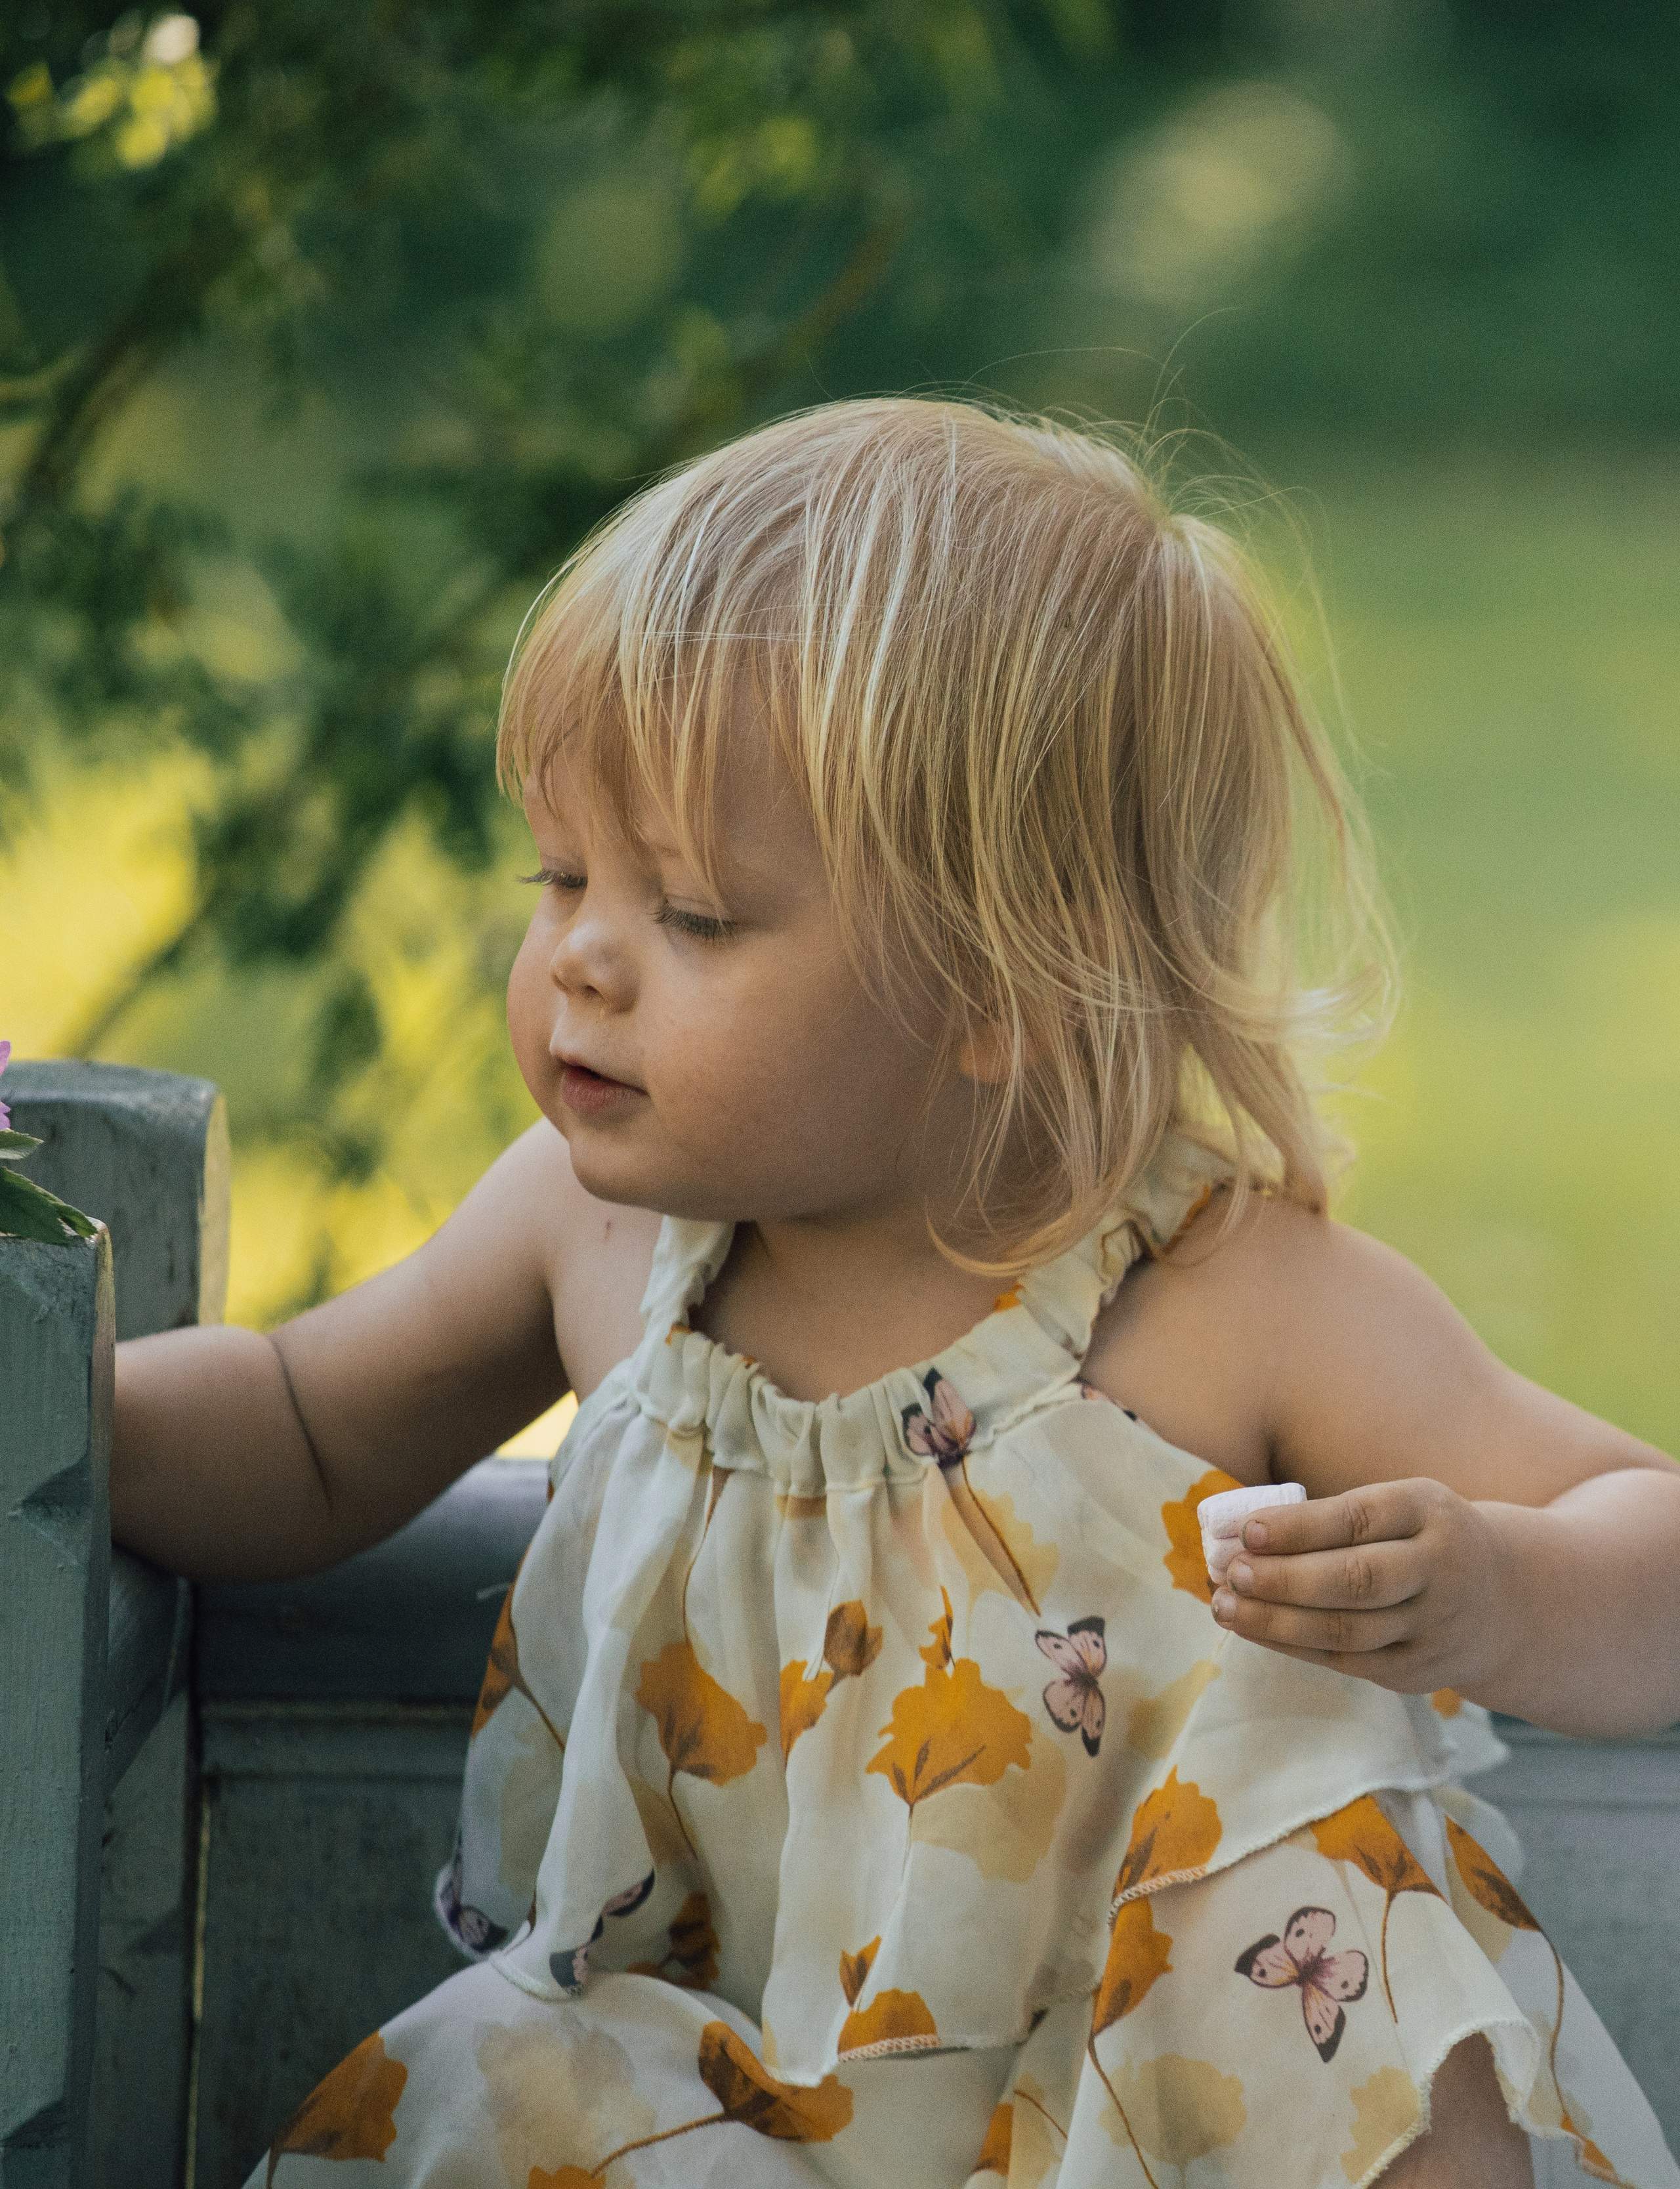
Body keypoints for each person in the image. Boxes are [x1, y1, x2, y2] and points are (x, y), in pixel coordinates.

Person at [114, 399, 1680, 2189]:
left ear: (1000, 988)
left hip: (1157, 2101)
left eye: (695, 912)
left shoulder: (1219, 1303)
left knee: (1322, 1967)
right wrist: (62, 1402)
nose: (581, 961)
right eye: (559, 877)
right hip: (724, 2097)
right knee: (506, 2104)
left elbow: (1655, 1547)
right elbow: (309, 1433)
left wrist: (1495, 1589)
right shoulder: (596, 1235)